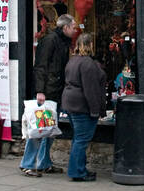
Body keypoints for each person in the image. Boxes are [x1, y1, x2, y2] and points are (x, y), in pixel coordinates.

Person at [21, 14, 76, 176]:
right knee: (38, 129)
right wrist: (40, 91)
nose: (74, 30)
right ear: (65, 27)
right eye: (73, 27)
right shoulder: (50, 40)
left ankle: (44, 163)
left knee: (49, 130)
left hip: (56, 91)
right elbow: (40, 66)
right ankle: (28, 164)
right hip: (46, 93)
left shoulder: (63, 42)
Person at [61, 32, 108, 182]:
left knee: (78, 138)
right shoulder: (87, 63)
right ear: (90, 45)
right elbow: (91, 90)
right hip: (81, 106)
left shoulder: (72, 61)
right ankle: (77, 171)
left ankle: (80, 169)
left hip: (70, 103)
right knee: (81, 140)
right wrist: (97, 110)